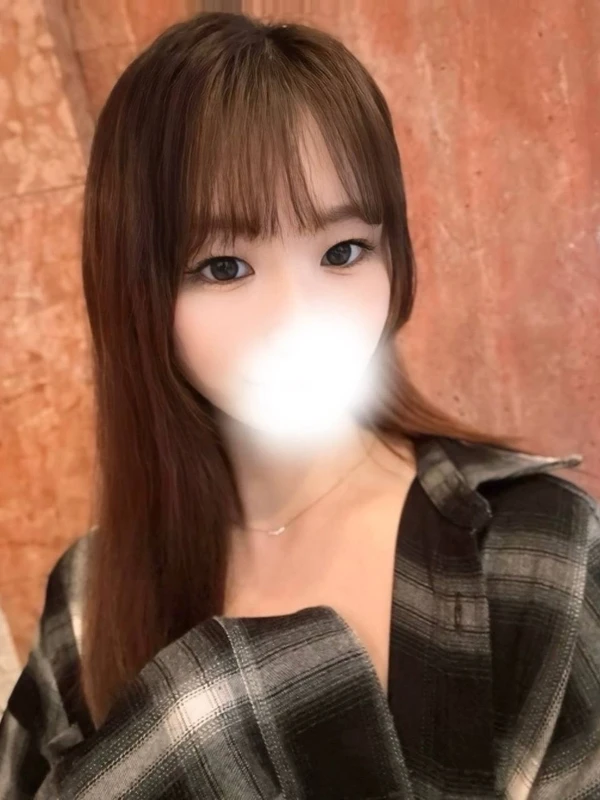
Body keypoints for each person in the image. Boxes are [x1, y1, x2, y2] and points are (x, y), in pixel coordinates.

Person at [1, 10, 599, 799]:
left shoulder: (536, 549)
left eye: (343, 251)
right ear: (134, 292)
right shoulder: (86, 602)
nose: (297, 317)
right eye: (223, 267)